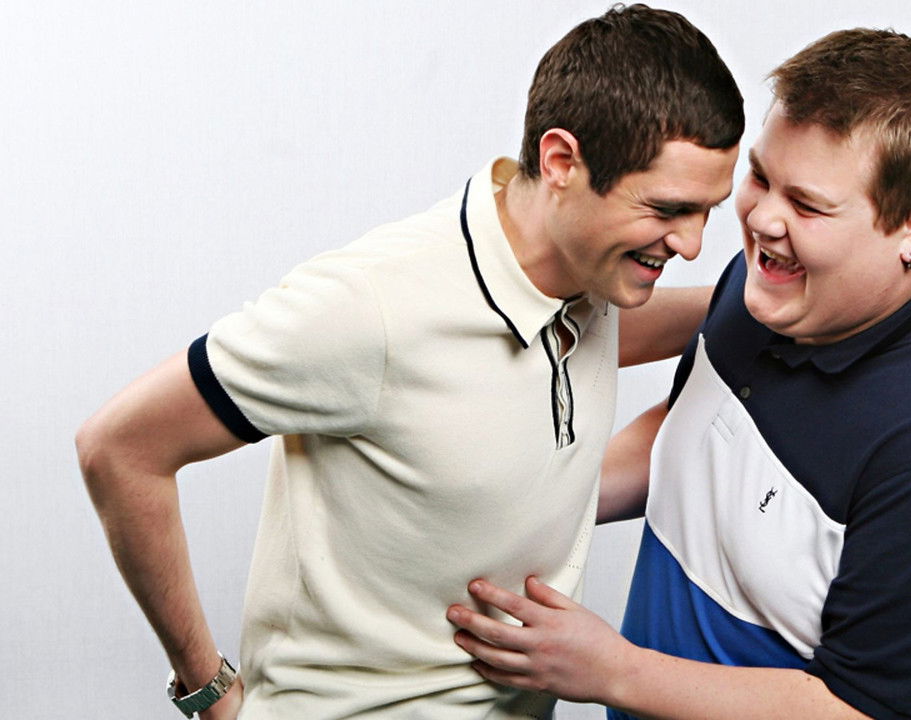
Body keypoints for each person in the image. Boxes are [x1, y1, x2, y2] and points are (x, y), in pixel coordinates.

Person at [75, 5, 742, 719]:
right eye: (667, 209)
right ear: (560, 163)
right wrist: (207, 689)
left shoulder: (587, 281)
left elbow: (585, 342)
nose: (693, 244)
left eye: (709, 210)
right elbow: (120, 449)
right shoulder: (372, 307)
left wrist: (759, 304)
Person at [447, 28, 911, 720]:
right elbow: (698, 433)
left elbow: (863, 712)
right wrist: (537, 504)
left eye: (807, 205)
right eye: (762, 177)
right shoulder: (784, 287)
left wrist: (612, 671)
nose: (761, 220)